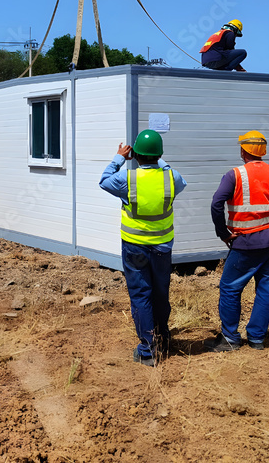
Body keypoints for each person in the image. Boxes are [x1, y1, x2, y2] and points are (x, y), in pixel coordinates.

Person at [206, 130, 269, 352]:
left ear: (243, 151)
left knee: (230, 287)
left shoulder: (234, 175)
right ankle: (257, 339)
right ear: (262, 151)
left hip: (244, 243)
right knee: (264, 288)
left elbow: (216, 204)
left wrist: (223, 233)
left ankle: (231, 339)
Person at [99, 130, 188, 367]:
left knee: (141, 294)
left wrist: (119, 158)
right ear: (160, 155)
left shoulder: (127, 179)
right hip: (162, 248)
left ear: (135, 154)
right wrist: (159, 159)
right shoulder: (172, 178)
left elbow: (104, 181)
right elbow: (175, 177)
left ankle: (148, 350)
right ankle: (163, 337)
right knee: (160, 293)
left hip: (135, 248)